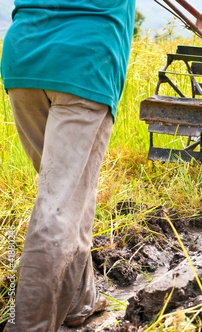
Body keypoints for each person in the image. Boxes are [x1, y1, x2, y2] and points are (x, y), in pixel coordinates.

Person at [1, 1, 136, 330]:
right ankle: (28, 326)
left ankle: (80, 301)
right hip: (85, 63)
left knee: (66, 192)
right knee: (58, 208)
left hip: (25, 60)